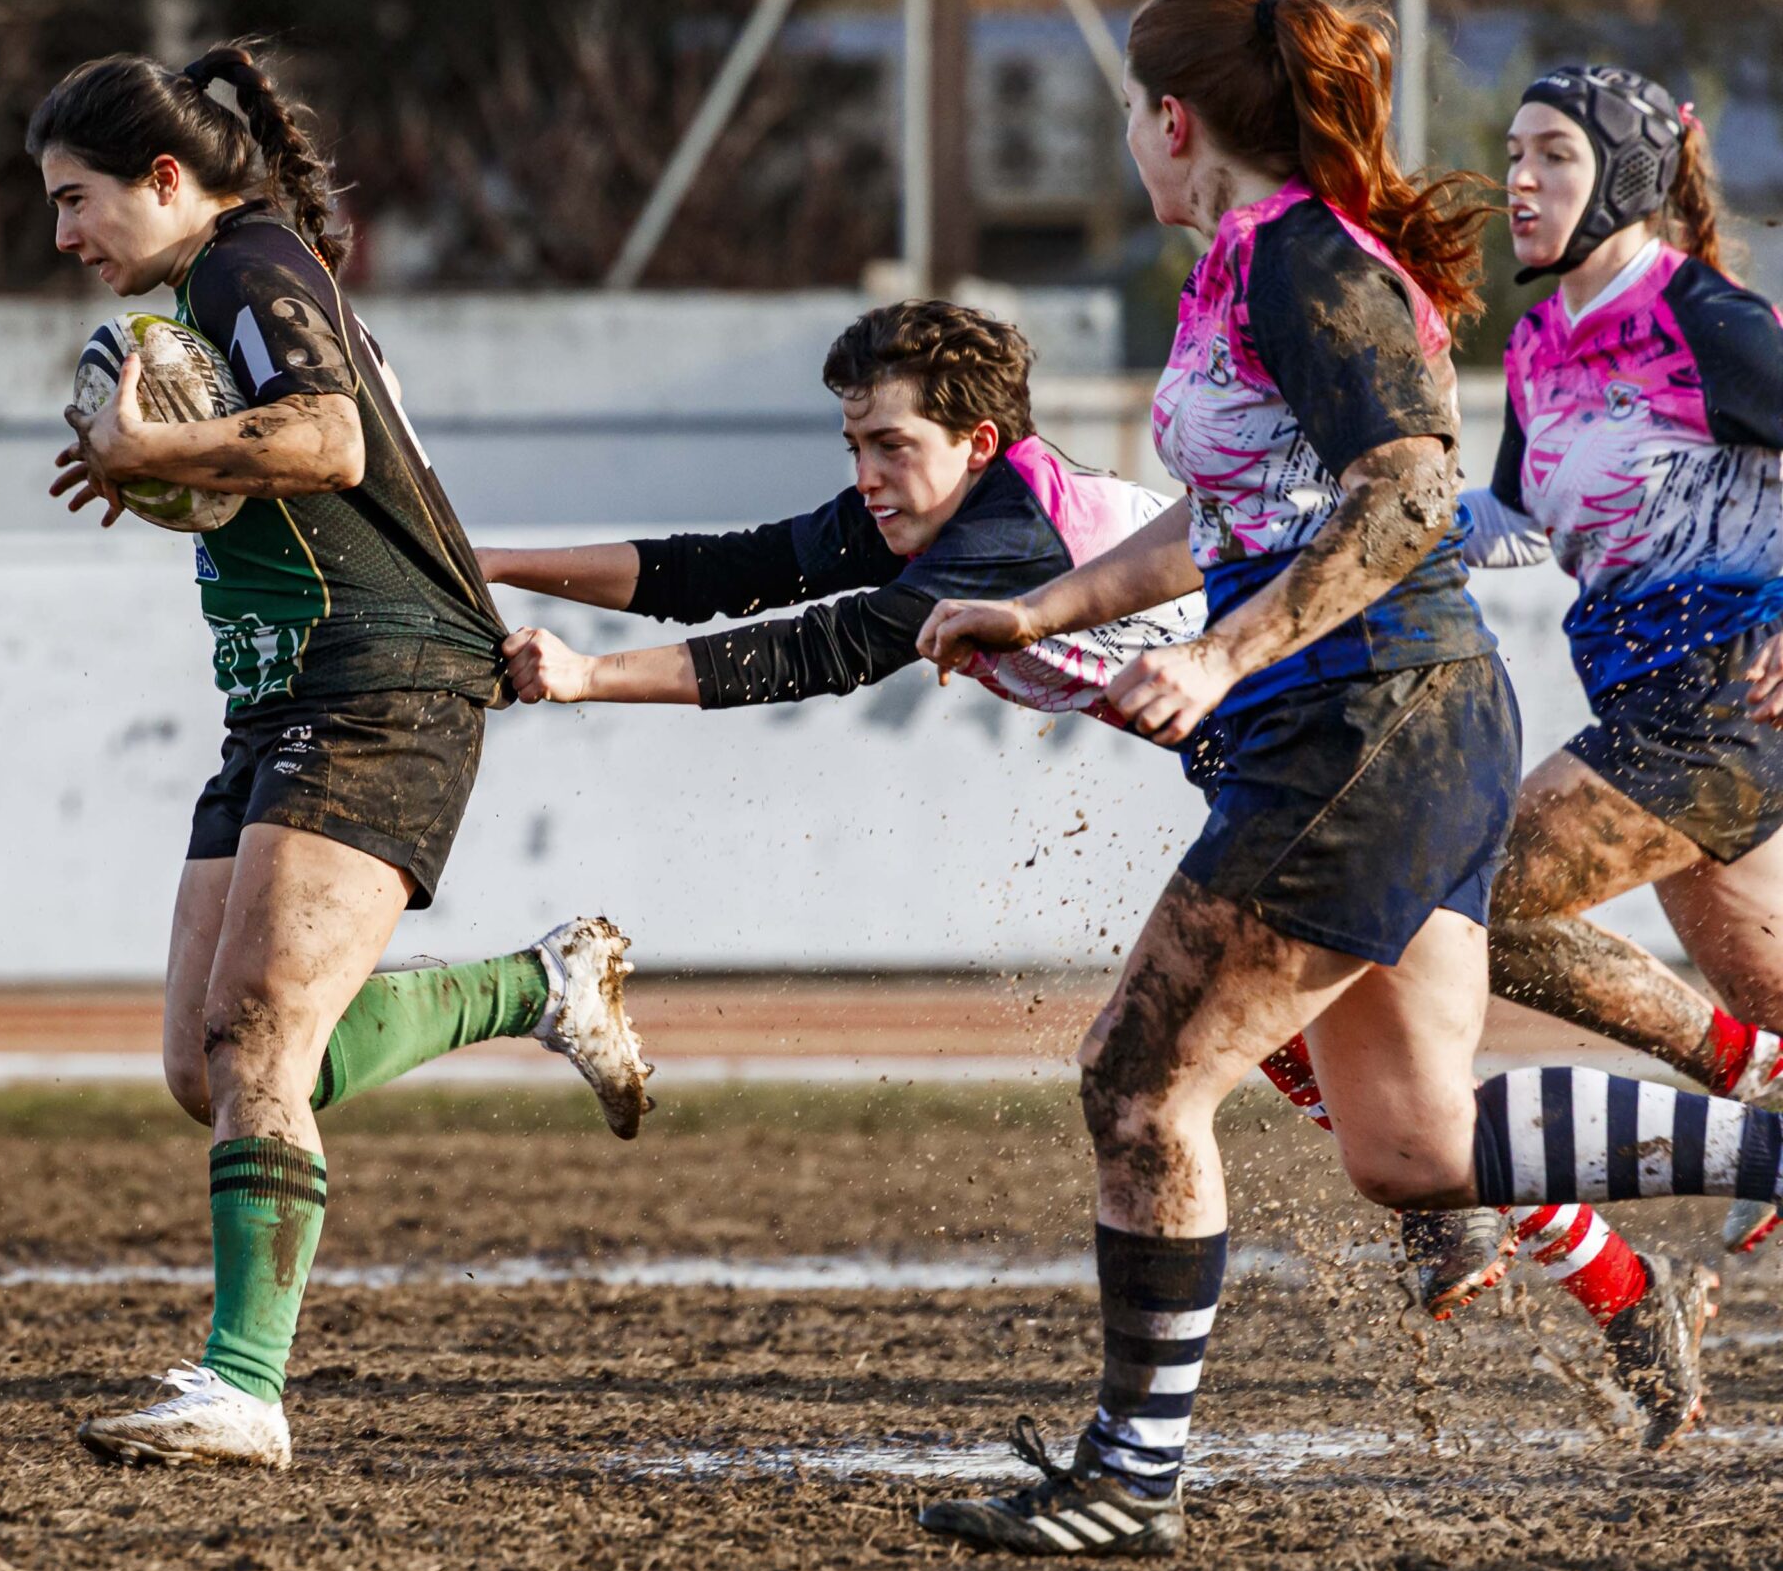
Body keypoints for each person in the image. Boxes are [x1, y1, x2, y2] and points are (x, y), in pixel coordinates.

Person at [481, 297, 1682, 1423]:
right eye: (853, 447)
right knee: (1347, 1089)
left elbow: (820, 652)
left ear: (979, 441)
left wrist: (587, 677)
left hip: (1360, 753)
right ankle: (1604, 1261)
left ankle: (1647, 1202)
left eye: (887, 446)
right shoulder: (942, 505)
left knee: (1257, 1079)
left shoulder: (1004, 537)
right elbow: (718, 570)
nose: (864, 480)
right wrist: (499, 561)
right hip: (1312, 766)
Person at [906, 0, 1750, 1559]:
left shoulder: (1301, 256)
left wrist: (1218, 657)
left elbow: (1415, 490)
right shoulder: (1246, 260)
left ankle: (1131, 1473)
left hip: (1361, 720)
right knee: (1415, 1147)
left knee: (1140, 1083)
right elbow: (1232, 516)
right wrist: (1053, 603)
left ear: (1173, 119)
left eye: (1129, 119)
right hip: (1388, 718)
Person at [30, 44, 654, 1469]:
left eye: (77, 200)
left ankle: (242, 1387)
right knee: (212, 1057)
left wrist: (156, 450)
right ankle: (537, 984)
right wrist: (165, 461)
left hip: (382, 675)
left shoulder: (248, 265)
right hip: (282, 691)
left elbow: (327, 440)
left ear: (167, 179)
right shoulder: (217, 285)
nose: (62, 236)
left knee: (259, 1032)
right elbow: (286, 450)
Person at [1458, 67, 1783, 1257]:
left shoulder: (1704, 316)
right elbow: (1506, 523)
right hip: (1647, 704)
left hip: (1725, 705)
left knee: (1456, 890)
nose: (1518, 181)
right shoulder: (1539, 335)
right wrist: (1346, 524)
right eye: (1511, 155)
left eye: (1552, 154)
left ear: (1628, 179)